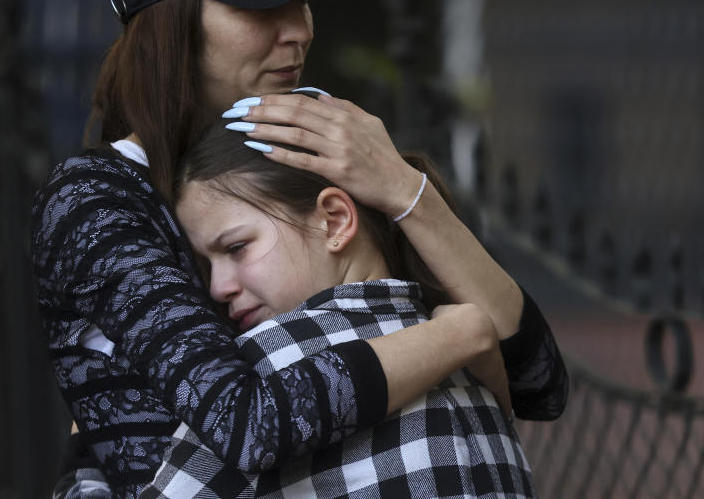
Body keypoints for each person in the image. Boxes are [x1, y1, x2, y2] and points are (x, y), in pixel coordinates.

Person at [31, 0, 567, 499]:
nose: (300, 30)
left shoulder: (318, 150)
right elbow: (243, 421)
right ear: (172, 21)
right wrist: (458, 334)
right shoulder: (96, 200)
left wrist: (401, 188)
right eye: (262, 3)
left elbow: (537, 382)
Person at [140, 115, 536, 497]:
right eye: (207, 264)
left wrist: (82, 462)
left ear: (334, 220)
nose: (217, 287)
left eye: (236, 247)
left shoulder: (269, 369)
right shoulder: (474, 362)